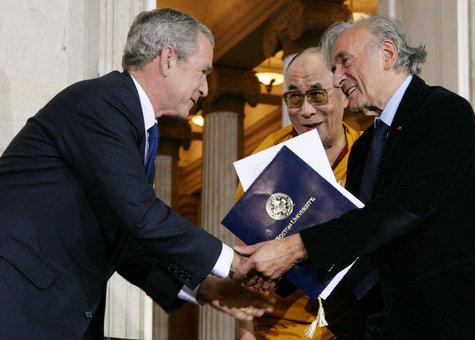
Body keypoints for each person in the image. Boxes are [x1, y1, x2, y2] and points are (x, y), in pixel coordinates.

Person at [235, 15, 475, 339]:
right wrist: (276, 272)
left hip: (461, 318)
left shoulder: (444, 113)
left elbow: (398, 210)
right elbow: (354, 233)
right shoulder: (367, 145)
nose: (338, 78)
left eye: (344, 63)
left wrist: (294, 249)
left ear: (387, 54)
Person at [0, 8, 274, 339]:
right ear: (168, 59)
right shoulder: (103, 103)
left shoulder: (132, 123)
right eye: (202, 71)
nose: (204, 88)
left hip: (49, 311)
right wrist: (233, 261)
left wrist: (205, 288)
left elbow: (127, 240)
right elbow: (141, 215)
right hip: (19, 303)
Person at [236, 47, 370, 340]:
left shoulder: (368, 154)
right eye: (295, 97)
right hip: (281, 326)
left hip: (353, 324)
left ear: (344, 95)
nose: (306, 110)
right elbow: (246, 258)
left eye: (318, 95)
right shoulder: (267, 160)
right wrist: (245, 333)